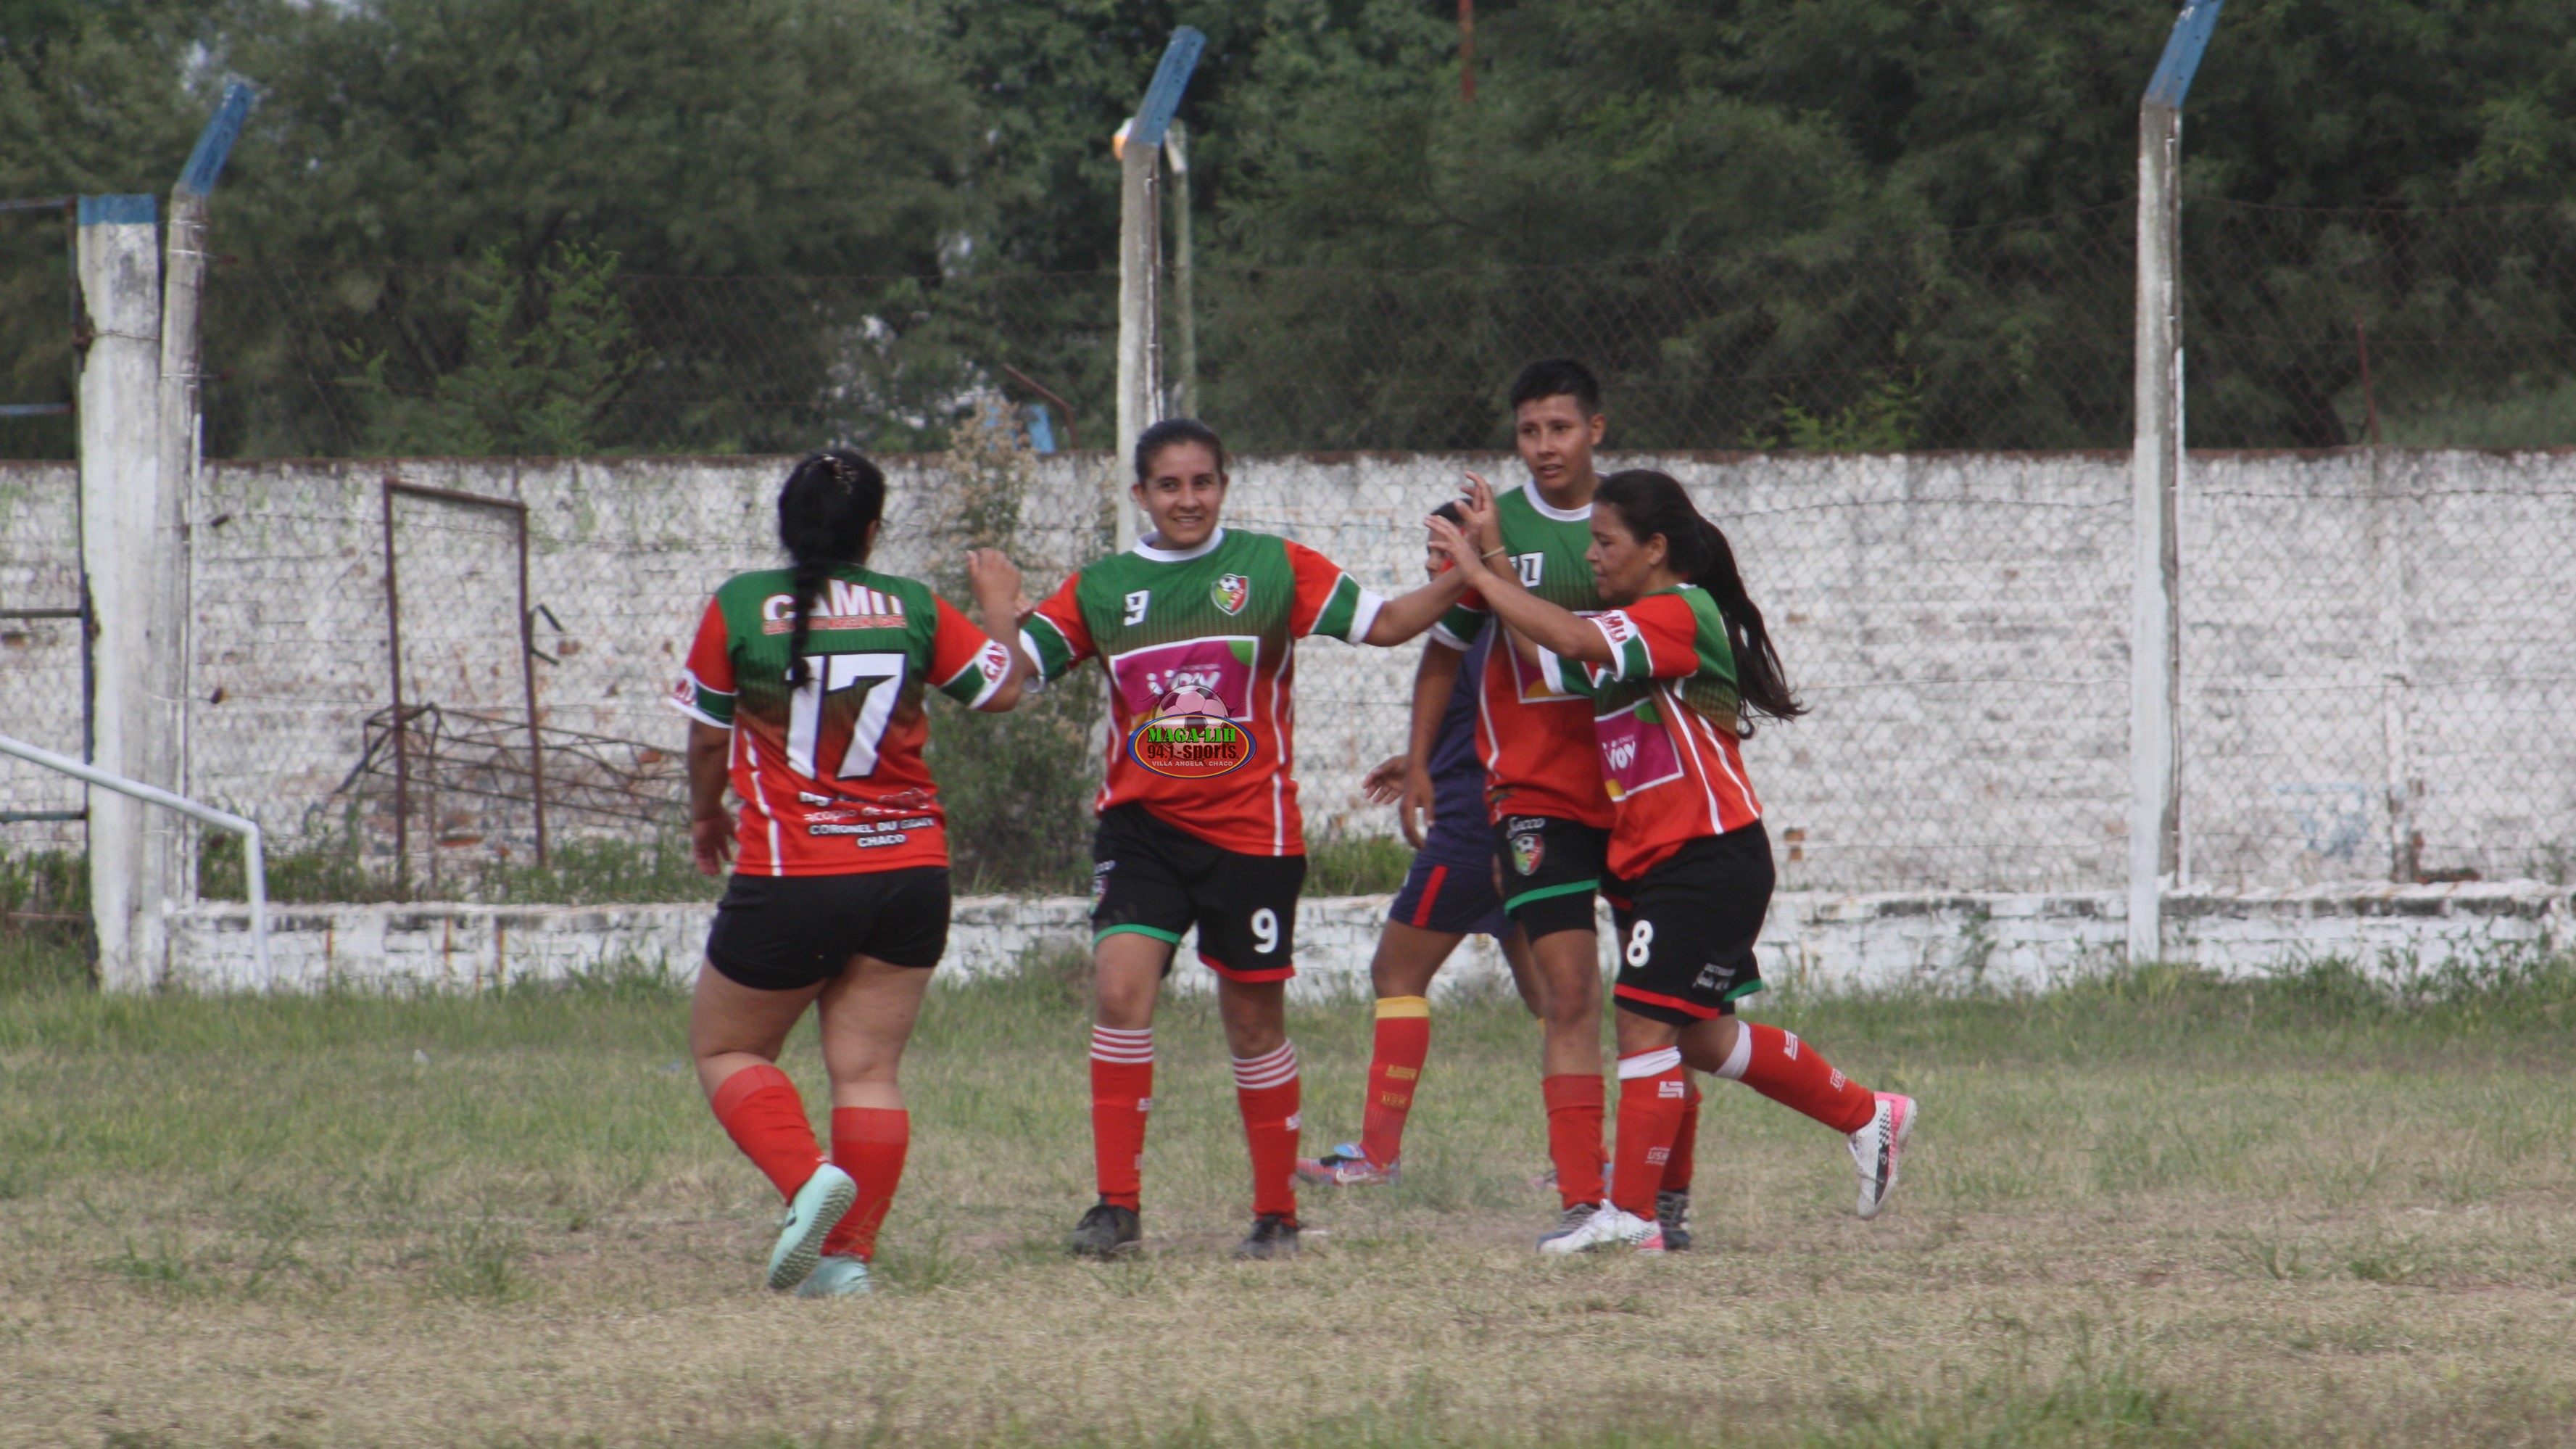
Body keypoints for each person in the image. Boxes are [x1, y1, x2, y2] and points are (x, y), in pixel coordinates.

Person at [1016, 418, 1473, 1261]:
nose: (1187, 499)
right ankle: (1115, 1208)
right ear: (1140, 495)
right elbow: (1009, 677)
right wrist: (994, 603)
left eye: (1202, 483)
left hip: (1252, 835)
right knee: (1119, 994)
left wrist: (1466, 576)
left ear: (1224, 486)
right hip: (1141, 832)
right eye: (1169, 485)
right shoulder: (1103, 588)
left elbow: (1384, 623)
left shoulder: (1272, 568)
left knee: (1254, 1025)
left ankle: (1275, 1215)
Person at [1428, 469, 1918, 1254]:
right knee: (1702, 1039)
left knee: (1640, 1021)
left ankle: (1632, 1215)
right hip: (1677, 860)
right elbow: (1547, 652)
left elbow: (1567, 638)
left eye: (1603, 541)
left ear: (1654, 548)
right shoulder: (1632, 626)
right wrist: (1491, 556)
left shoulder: (1680, 612)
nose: (1590, 556)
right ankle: (1868, 1115)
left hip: (1706, 853)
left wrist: (1481, 573)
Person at [668, 448, 1030, 1297]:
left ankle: (807, 1180)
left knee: (727, 1047)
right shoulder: (912, 605)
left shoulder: (739, 606)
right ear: (872, 531)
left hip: (794, 873)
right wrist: (999, 605)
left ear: (785, 525)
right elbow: (1004, 690)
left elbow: (709, 739)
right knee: (867, 1072)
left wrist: (704, 813)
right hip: (911, 873)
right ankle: (843, 1263)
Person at [1403, 358, 1702, 1247]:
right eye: (1528, 431)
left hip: (1642, 795)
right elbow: (1446, 651)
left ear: (1595, 430)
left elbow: (1677, 635)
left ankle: (1664, 1199)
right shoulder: (1489, 524)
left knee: (1664, 1008)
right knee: (1569, 995)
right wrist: (1420, 762)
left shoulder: (1634, 526)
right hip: (1536, 794)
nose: (1543, 447)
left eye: (1560, 428)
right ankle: (1581, 1199)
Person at [1298, 503, 1541, 1189]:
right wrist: (1418, 760)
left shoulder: (1477, 626)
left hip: (1471, 831)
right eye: (1429, 552)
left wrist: (1444, 783)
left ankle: (1377, 1158)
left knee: (1395, 974)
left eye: (1444, 550)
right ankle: (1584, 1162)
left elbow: (1501, 727)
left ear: (1478, 551)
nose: (1433, 565)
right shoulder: (1506, 622)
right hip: (1519, 829)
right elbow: (1488, 724)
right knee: (1553, 1003)